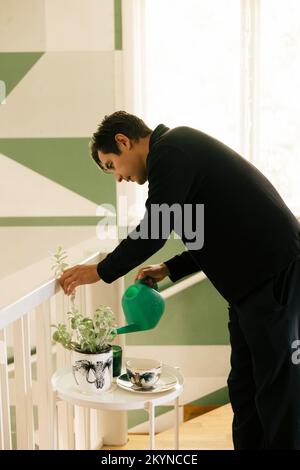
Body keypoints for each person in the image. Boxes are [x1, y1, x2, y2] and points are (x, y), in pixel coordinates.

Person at [59, 111, 300, 449]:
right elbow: (208, 230)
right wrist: (171, 268)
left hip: (272, 274)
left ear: (123, 142)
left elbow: (155, 229)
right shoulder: (177, 154)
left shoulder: (172, 150)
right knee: (244, 387)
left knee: (277, 388)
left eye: (111, 165)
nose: (118, 178)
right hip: (248, 287)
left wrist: (100, 271)